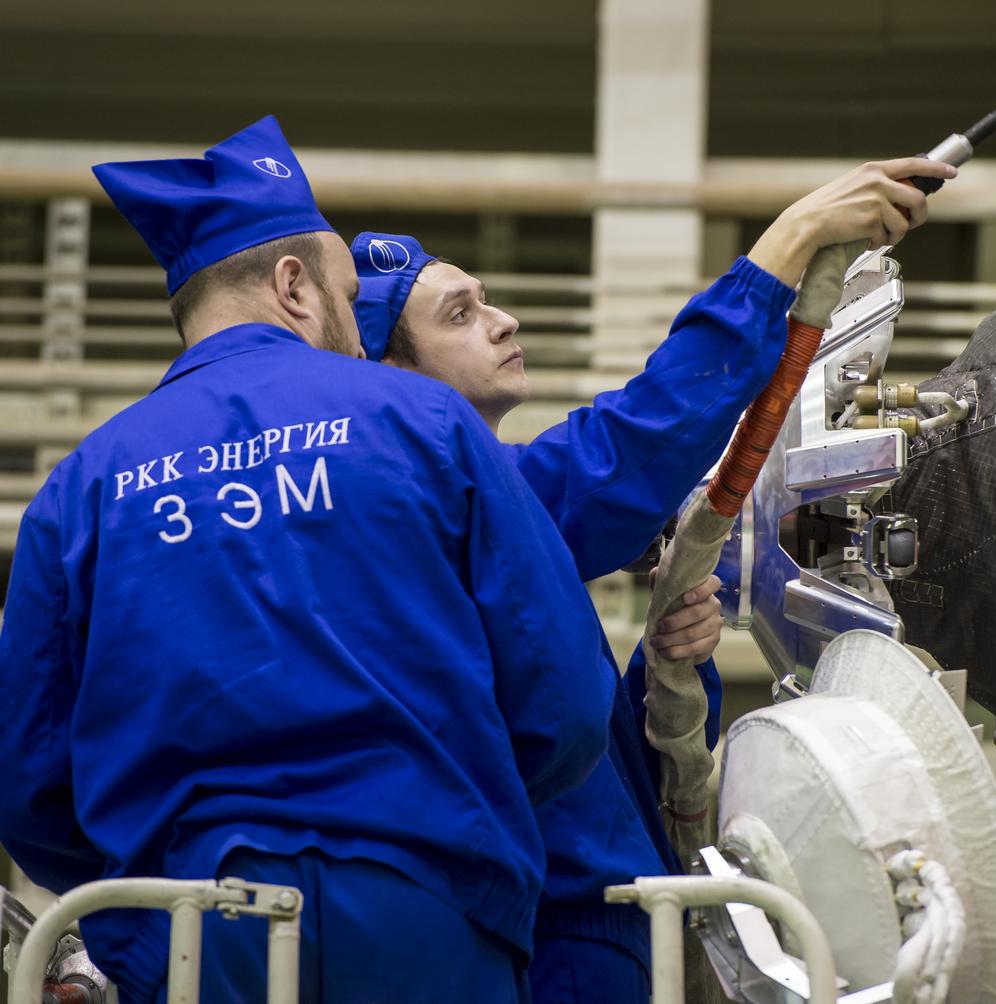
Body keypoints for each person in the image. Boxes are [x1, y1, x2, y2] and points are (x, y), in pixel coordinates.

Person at [0, 116, 619, 1004]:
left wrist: (138, 908)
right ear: (294, 285)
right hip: (427, 910)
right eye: (342, 291)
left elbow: (29, 784)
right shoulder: (426, 421)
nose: (360, 338)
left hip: (185, 929)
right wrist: (455, 808)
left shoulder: (80, 488)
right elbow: (562, 702)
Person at [347, 150, 954, 1003]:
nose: (504, 321)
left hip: (605, 926)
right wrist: (793, 238)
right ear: (394, 380)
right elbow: (628, 450)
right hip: (552, 940)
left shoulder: (490, 520)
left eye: (486, 300)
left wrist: (667, 664)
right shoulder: (447, 512)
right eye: (462, 315)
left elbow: (595, 765)